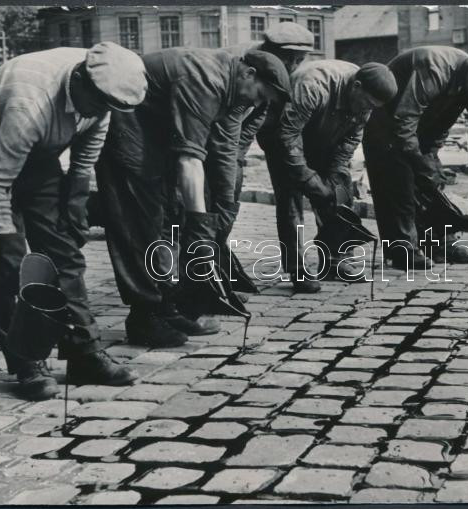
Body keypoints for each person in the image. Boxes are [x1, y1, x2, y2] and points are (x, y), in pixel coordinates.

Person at [0, 42, 148, 401]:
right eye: (98, 104)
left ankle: (84, 352)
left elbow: (85, 156)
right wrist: (7, 241)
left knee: (64, 252)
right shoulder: (30, 104)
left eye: (108, 107)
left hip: (40, 146)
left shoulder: (105, 94)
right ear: (79, 81)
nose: (101, 111)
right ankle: (27, 361)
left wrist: (74, 204)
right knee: (4, 261)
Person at [95, 48, 290, 346]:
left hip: (154, 134)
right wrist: (201, 227)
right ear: (249, 74)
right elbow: (190, 160)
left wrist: (221, 209)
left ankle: (165, 305)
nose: (256, 104)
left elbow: (224, 152)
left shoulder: (232, 86)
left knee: (171, 215)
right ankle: (144, 316)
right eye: (260, 94)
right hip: (127, 128)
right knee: (140, 221)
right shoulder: (207, 80)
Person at [362, 46, 468, 269]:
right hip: (385, 125)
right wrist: (420, 163)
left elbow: (442, 125)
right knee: (400, 185)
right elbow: (404, 120)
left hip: (415, 128)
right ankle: (403, 250)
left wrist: (431, 158)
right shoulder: (434, 68)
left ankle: (440, 244)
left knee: (431, 183)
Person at [197, 22, 314, 298]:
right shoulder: (243, 65)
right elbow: (225, 130)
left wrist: (241, 149)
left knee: (291, 183)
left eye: (299, 60)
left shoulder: (283, 74)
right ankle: (206, 268)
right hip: (217, 129)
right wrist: (233, 159)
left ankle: (298, 267)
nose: (293, 66)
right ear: (270, 50)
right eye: (289, 58)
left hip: (269, 124)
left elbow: (258, 119)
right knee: (221, 193)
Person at [260, 61, 398, 292]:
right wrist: (309, 181)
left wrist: (333, 179)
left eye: (374, 107)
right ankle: (298, 269)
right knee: (291, 199)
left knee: (340, 191)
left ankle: (336, 260)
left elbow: (350, 140)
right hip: (283, 137)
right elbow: (287, 136)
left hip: (324, 137)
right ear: (356, 86)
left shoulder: (365, 102)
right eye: (367, 103)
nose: (368, 109)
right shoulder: (312, 86)